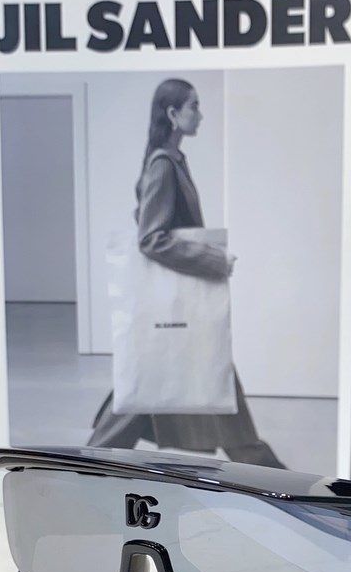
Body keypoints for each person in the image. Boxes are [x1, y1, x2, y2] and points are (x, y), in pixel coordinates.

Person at [88, 78, 285, 468]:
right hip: (183, 317)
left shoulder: (171, 161)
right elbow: (151, 238)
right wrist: (213, 260)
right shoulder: (164, 165)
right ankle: (291, 490)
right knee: (221, 412)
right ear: (173, 114)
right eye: (194, 106)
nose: (200, 114)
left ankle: (82, 469)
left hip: (175, 318)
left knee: (138, 398)